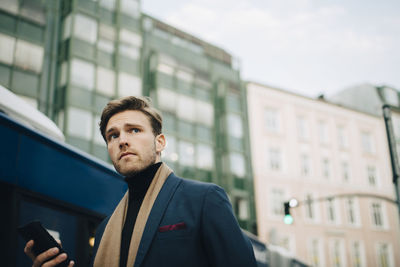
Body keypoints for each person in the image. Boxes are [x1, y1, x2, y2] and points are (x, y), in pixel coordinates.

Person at [24, 96, 257, 267]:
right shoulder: (105, 229)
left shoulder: (204, 199)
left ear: (160, 142)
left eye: (134, 130)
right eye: (113, 136)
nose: (122, 141)